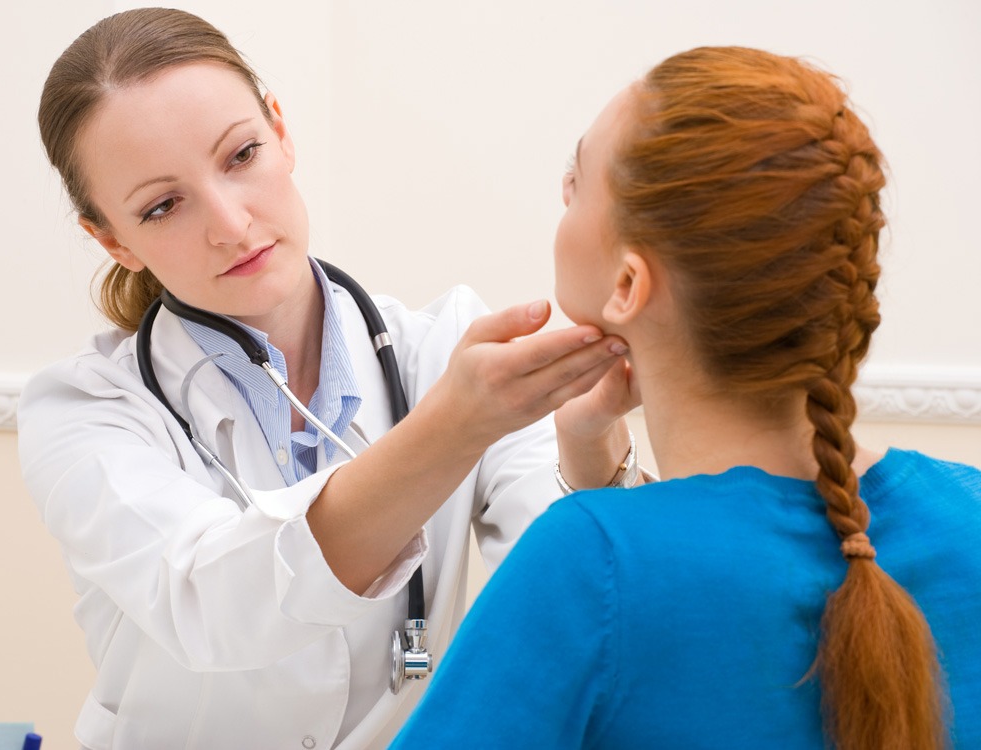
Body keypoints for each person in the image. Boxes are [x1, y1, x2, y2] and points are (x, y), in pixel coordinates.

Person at [17, 8, 644, 750]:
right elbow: (212, 601)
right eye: (163, 205)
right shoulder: (85, 412)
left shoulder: (442, 352)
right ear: (113, 239)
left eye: (241, 154)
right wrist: (451, 428)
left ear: (281, 132)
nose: (230, 222)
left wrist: (587, 438)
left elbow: (582, 597)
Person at [389, 46, 981, 749]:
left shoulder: (589, 564)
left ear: (628, 288)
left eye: (577, 181)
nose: (563, 198)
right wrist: (593, 458)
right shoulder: (966, 514)